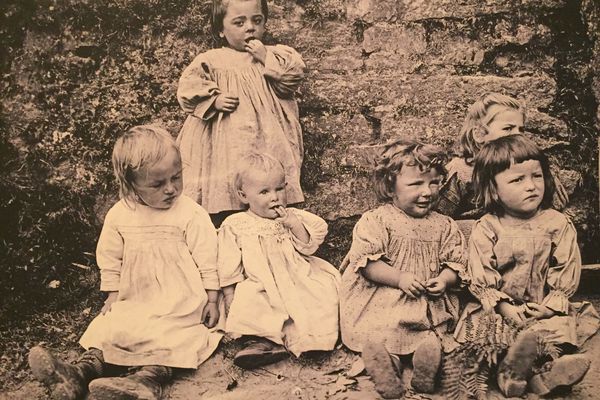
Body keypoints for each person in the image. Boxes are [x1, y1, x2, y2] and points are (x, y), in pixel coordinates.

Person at [28, 125, 223, 400]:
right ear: (130, 184)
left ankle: (145, 381)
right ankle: (77, 375)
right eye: (157, 184)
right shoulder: (121, 215)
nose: (171, 189)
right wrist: (113, 293)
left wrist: (213, 299)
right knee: (113, 326)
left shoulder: (190, 213)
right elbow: (110, 256)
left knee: (173, 336)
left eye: (176, 178)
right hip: (136, 296)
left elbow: (208, 256)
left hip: (181, 302)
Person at [454, 134, 599, 398]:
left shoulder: (557, 224)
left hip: (542, 308)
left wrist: (548, 307)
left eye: (537, 176)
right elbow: (481, 276)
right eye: (517, 179)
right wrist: (503, 306)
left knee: (555, 333)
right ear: (494, 190)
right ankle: (508, 373)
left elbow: (565, 270)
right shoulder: (487, 227)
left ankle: (548, 374)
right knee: (487, 336)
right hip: (500, 308)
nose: (531, 186)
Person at [339, 139, 468, 398]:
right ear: (390, 188)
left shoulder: (444, 225)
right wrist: (399, 278)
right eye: (415, 184)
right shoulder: (377, 220)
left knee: (431, 337)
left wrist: (444, 279)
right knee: (383, 332)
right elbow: (366, 264)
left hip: (426, 302)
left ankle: (425, 368)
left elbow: (457, 263)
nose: (428, 191)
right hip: (384, 297)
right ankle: (388, 368)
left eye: (434, 183)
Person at [176, 0, 306, 226]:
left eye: (257, 20)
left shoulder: (274, 55)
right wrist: (214, 100)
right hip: (224, 141)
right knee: (226, 177)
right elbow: (188, 89)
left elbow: (291, 80)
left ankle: (272, 222)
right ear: (220, 29)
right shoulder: (212, 60)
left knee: (266, 177)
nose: (250, 28)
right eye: (239, 22)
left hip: (266, 134)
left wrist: (265, 57)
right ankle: (225, 220)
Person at [218, 152, 341, 369]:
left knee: (318, 295)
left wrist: (294, 225)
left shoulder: (293, 217)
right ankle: (261, 344)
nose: (274, 197)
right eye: (264, 192)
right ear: (244, 195)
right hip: (260, 281)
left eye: (279, 189)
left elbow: (309, 247)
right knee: (252, 302)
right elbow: (228, 263)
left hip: (295, 275)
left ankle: (314, 340)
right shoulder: (236, 224)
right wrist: (229, 295)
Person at [436, 92, 568, 220]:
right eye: (508, 128)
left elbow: (552, 212)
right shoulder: (461, 171)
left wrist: (543, 175)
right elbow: (438, 218)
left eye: (521, 129)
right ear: (479, 134)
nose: (517, 135)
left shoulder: (530, 167)